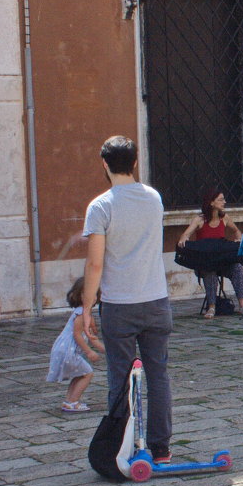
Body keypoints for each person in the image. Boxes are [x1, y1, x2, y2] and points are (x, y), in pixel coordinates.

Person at [81, 136, 174, 465]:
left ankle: (123, 446)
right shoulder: (154, 199)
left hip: (119, 304)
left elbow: (95, 264)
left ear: (104, 164)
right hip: (156, 300)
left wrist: (86, 307)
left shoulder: (101, 206)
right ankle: (161, 448)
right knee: (158, 375)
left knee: (119, 377)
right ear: (135, 162)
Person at [177, 187, 243, 318]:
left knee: (237, 267)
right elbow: (186, 234)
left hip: (222, 262)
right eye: (221, 200)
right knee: (209, 270)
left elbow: (236, 231)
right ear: (212, 203)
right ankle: (211, 307)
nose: (224, 202)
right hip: (205, 263)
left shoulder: (225, 218)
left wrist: (239, 239)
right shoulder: (200, 220)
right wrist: (184, 238)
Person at [47, 276, 105, 412]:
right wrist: (89, 351)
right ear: (79, 296)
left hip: (67, 350)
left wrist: (105, 349)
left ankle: (69, 401)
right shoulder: (80, 314)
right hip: (67, 350)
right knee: (88, 373)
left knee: (80, 374)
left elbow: (92, 337)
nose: (94, 298)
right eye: (89, 294)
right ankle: (73, 401)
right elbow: (77, 335)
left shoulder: (87, 314)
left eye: (95, 294)